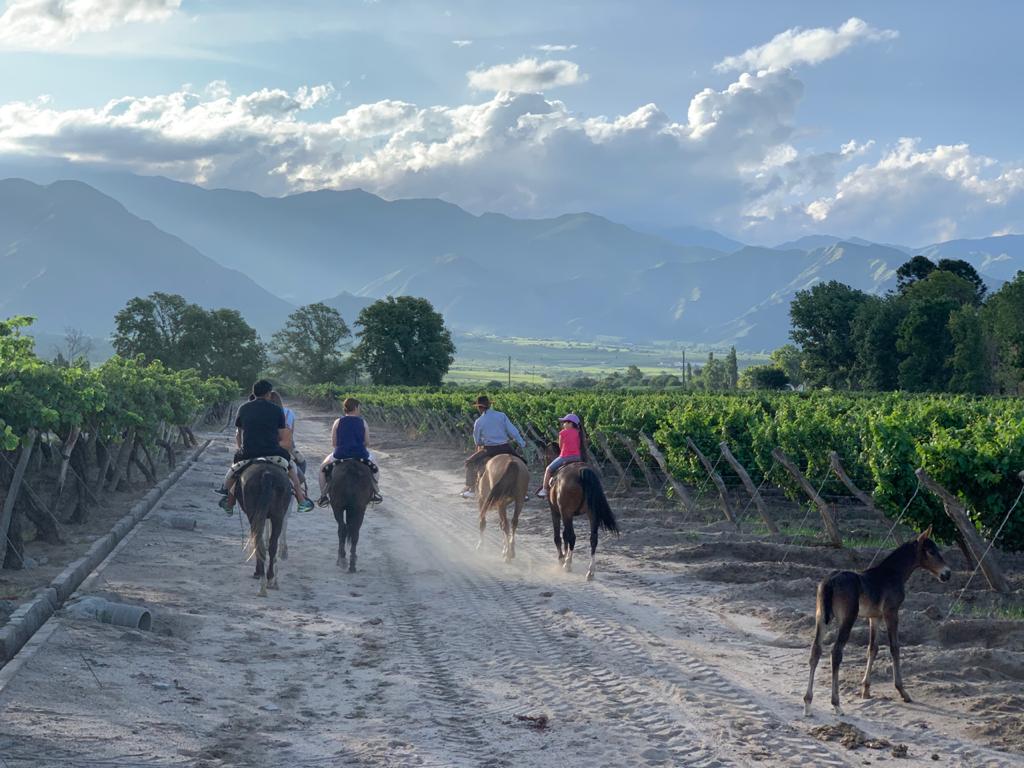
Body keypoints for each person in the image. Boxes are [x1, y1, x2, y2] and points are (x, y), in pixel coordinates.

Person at [216, 379, 314, 514]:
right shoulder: (276, 410)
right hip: (273, 451)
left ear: (254, 393)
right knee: (291, 468)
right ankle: (301, 500)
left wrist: (241, 448)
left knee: (235, 471)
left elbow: (239, 433)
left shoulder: (243, 408)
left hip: (249, 452)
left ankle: (229, 501)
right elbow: (281, 434)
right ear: (268, 394)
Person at [317, 397, 382, 506]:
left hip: (340, 454)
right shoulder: (363, 422)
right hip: (361, 454)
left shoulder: (337, 422)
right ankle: (374, 493)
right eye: (359, 407)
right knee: (376, 469)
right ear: (355, 407)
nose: (359, 410)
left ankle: (323, 496)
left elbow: (334, 443)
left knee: (322, 469)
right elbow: (367, 442)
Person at [460, 395, 526, 498]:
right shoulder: (502, 415)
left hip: (489, 449)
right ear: (489, 405)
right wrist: (521, 443)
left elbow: (477, 440)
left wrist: (481, 442)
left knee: (469, 463)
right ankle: (522, 492)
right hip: (505, 447)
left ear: (480, 407)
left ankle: (472, 490)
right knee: (523, 463)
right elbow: (513, 431)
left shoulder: (479, 421)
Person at [536, 413, 586, 497]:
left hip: (565, 457)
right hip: (578, 457)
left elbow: (561, 446)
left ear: (571, 423)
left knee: (548, 469)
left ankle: (544, 489)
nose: (563, 424)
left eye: (565, 422)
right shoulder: (579, 433)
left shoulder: (562, 433)